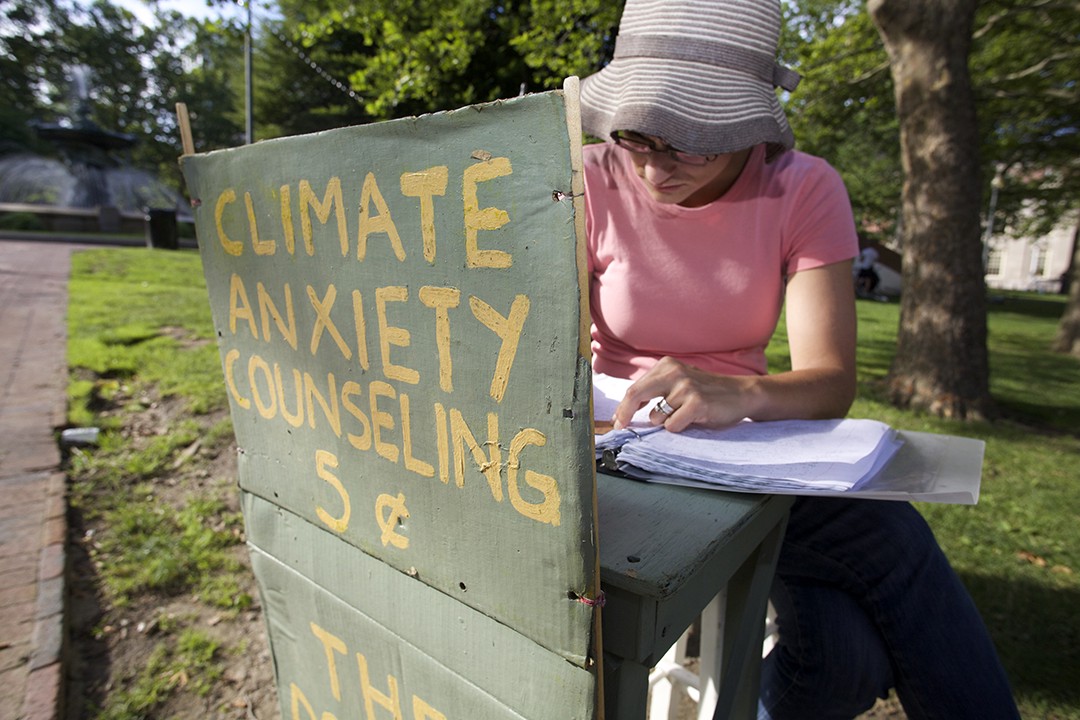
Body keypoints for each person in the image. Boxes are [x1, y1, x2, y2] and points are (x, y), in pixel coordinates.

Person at [577, 1, 1022, 718]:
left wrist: (740, 394)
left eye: (689, 142)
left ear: (746, 123)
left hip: (753, 451)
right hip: (619, 451)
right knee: (883, 556)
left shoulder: (803, 186)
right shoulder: (590, 177)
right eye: (635, 134)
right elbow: (546, 359)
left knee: (846, 654)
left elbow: (828, 383)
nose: (654, 167)